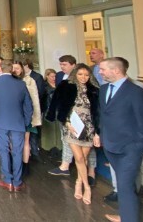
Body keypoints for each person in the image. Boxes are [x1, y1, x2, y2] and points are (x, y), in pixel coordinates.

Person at [95, 57, 143, 222]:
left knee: (125, 185)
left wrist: (138, 147)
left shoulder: (137, 93)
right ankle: (126, 214)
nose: (100, 72)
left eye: (103, 69)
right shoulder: (104, 89)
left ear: (116, 70)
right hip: (110, 145)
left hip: (130, 148)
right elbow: (103, 115)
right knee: (124, 183)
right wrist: (100, 135)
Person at [46, 64, 99, 205]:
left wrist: (97, 131)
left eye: (86, 75)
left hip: (88, 126)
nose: (83, 77)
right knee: (79, 157)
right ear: (75, 74)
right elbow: (59, 105)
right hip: (72, 125)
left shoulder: (94, 89)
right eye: (80, 74)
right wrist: (66, 121)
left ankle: (79, 181)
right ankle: (86, 187)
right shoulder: (66, 85)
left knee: (84, 157)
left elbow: (97, 111)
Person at [0, 60, 32, 192]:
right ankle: (17, 182)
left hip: (0, 121)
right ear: (12, 69)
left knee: (4, 150)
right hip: (18, 122)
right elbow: (28, 106)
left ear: (0, 68)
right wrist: (26, 121)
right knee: (17, 151)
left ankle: (7, 180)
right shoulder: (21, 84)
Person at [12, 61, 41, 176]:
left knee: (25, 141)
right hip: (13, 116)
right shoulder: (10, 81)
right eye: (13, 68)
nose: (15, 70)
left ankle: (25, 165)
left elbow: (34, 100)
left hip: (25, 115)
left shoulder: (29, 80)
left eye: (17, 68)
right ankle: (15, 164)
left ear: (22, 69)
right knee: (13, 142)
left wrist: (34, 117)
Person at [40, 69, 62, 156]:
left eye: (55, 76)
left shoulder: (58, 85)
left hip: (58, 109)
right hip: (48, 110)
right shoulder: (44, 86)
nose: (54, 78)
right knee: (50, 130)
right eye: (52, 76)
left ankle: (59, 147)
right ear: (47, 76)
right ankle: (50, 148)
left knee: (58, 129)